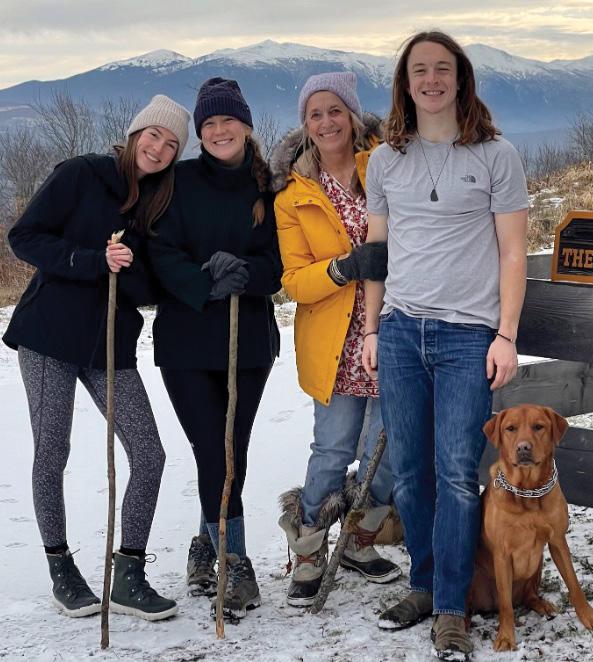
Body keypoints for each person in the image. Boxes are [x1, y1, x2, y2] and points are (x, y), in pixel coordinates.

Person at [362, 31, 528, 660]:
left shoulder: (495, 154)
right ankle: (426, 585)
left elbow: (512, 252)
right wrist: (372, 330)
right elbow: (376, 253)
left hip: (467, 336)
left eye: (442, 69)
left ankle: (453, 608)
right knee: (410, 474)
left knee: (457, 475)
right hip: (401, 332)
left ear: (460, 79)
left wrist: (506, 335)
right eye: (419, 71)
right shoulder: (386, 160)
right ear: (405, 84)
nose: (431, 80)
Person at [3, 95, 190, 620]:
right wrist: (91, 260)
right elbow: (23, 237)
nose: (158, 148)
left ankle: (128, 574)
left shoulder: (160, 202)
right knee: (52, 450)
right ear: (134, 134)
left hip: (110, 342)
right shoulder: (81, 173)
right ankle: (61, 567)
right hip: (49, 335)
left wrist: (128, 270)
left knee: (149, 454)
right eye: (153, 135)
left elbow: (149, 285)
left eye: (171, 144)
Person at [147, 78, 281, 621]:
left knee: (231, 453)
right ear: (200, 132)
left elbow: (280, 262)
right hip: (185, 341)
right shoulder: (177, 182)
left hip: (247, 342)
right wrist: (205, 281)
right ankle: (235, 562)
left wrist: (244, 273)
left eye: (228, 120)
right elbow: (158, 249)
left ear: (245, 125)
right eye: (209, 123)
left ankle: (207, 546)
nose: (220, 130)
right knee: (213, 450)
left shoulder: (269, 187)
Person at [271, 71, 401, 608]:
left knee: (387, 446)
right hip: (335, 342)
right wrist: (345, 267)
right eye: (315, 114)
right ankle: (307, 552)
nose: (326, 123)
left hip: (395, 328)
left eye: (335, 111)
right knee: (333, 448)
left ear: (352, 115)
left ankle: (358, 539)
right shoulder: (293, 195)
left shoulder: (386, 164)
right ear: (305, 125)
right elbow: (293, 281)